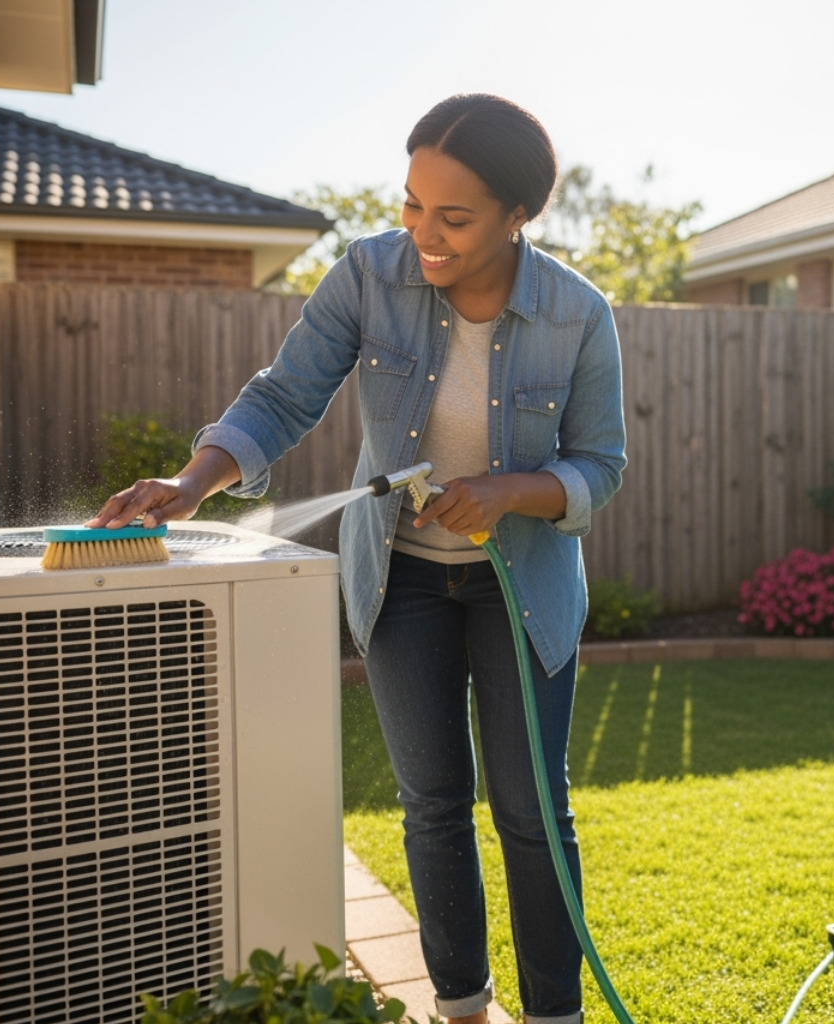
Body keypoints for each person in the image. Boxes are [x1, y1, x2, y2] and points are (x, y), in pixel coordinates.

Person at [86, 94, 627, 1024]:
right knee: (432, 802)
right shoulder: (368, 276)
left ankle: (554, 1015)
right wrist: (192, 484)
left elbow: (600, 465)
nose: (423, 231)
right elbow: (283, 395)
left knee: (533, 815)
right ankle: (460, 1005)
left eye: (453, 217)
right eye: (412, 202)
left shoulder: (577, 315)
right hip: (400, 579)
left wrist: (509, 491)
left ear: (516, 216)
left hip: (522, 587)